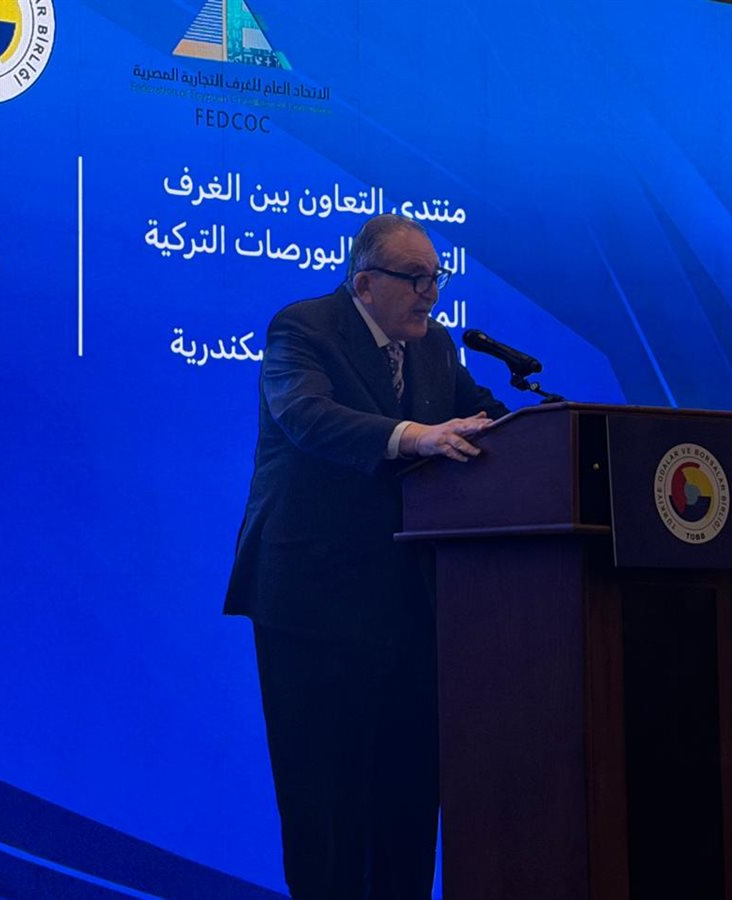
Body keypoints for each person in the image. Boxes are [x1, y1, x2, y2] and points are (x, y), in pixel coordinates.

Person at [225, 214, 510, 898]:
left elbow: (486, 420)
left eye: (435, 279)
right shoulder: (303, 329)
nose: (430, 294)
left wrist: (551, 429)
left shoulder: (435, 346)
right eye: (415, 279)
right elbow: (307, 418)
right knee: (325, 803)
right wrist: (416, 436)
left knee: (407, 800)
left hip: (409, 609)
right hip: (312, 604)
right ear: (364, 283)